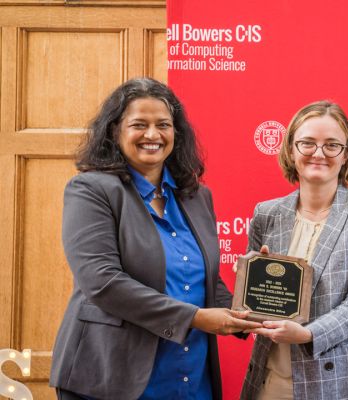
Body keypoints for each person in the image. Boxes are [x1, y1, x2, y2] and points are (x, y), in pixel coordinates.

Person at [49, 78, 261, 400]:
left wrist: (251, 310)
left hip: (190, 376)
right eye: (139, 125)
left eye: (163, 124)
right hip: (112, 379)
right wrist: (195, 318)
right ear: (115, 131)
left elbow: (205, 280)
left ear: (176, 132)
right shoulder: (91, 190)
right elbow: (102, 282)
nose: (153, 135)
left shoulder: (196, 196)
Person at [238, 101, 348, 399]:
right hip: (272, 382)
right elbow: (253, 309)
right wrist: (246, 286)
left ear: (346, 154)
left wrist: (309, 335)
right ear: (291, 149)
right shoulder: (266, 213)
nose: (318, 153)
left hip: (343, 382)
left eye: (331, 145)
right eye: (307, 143)